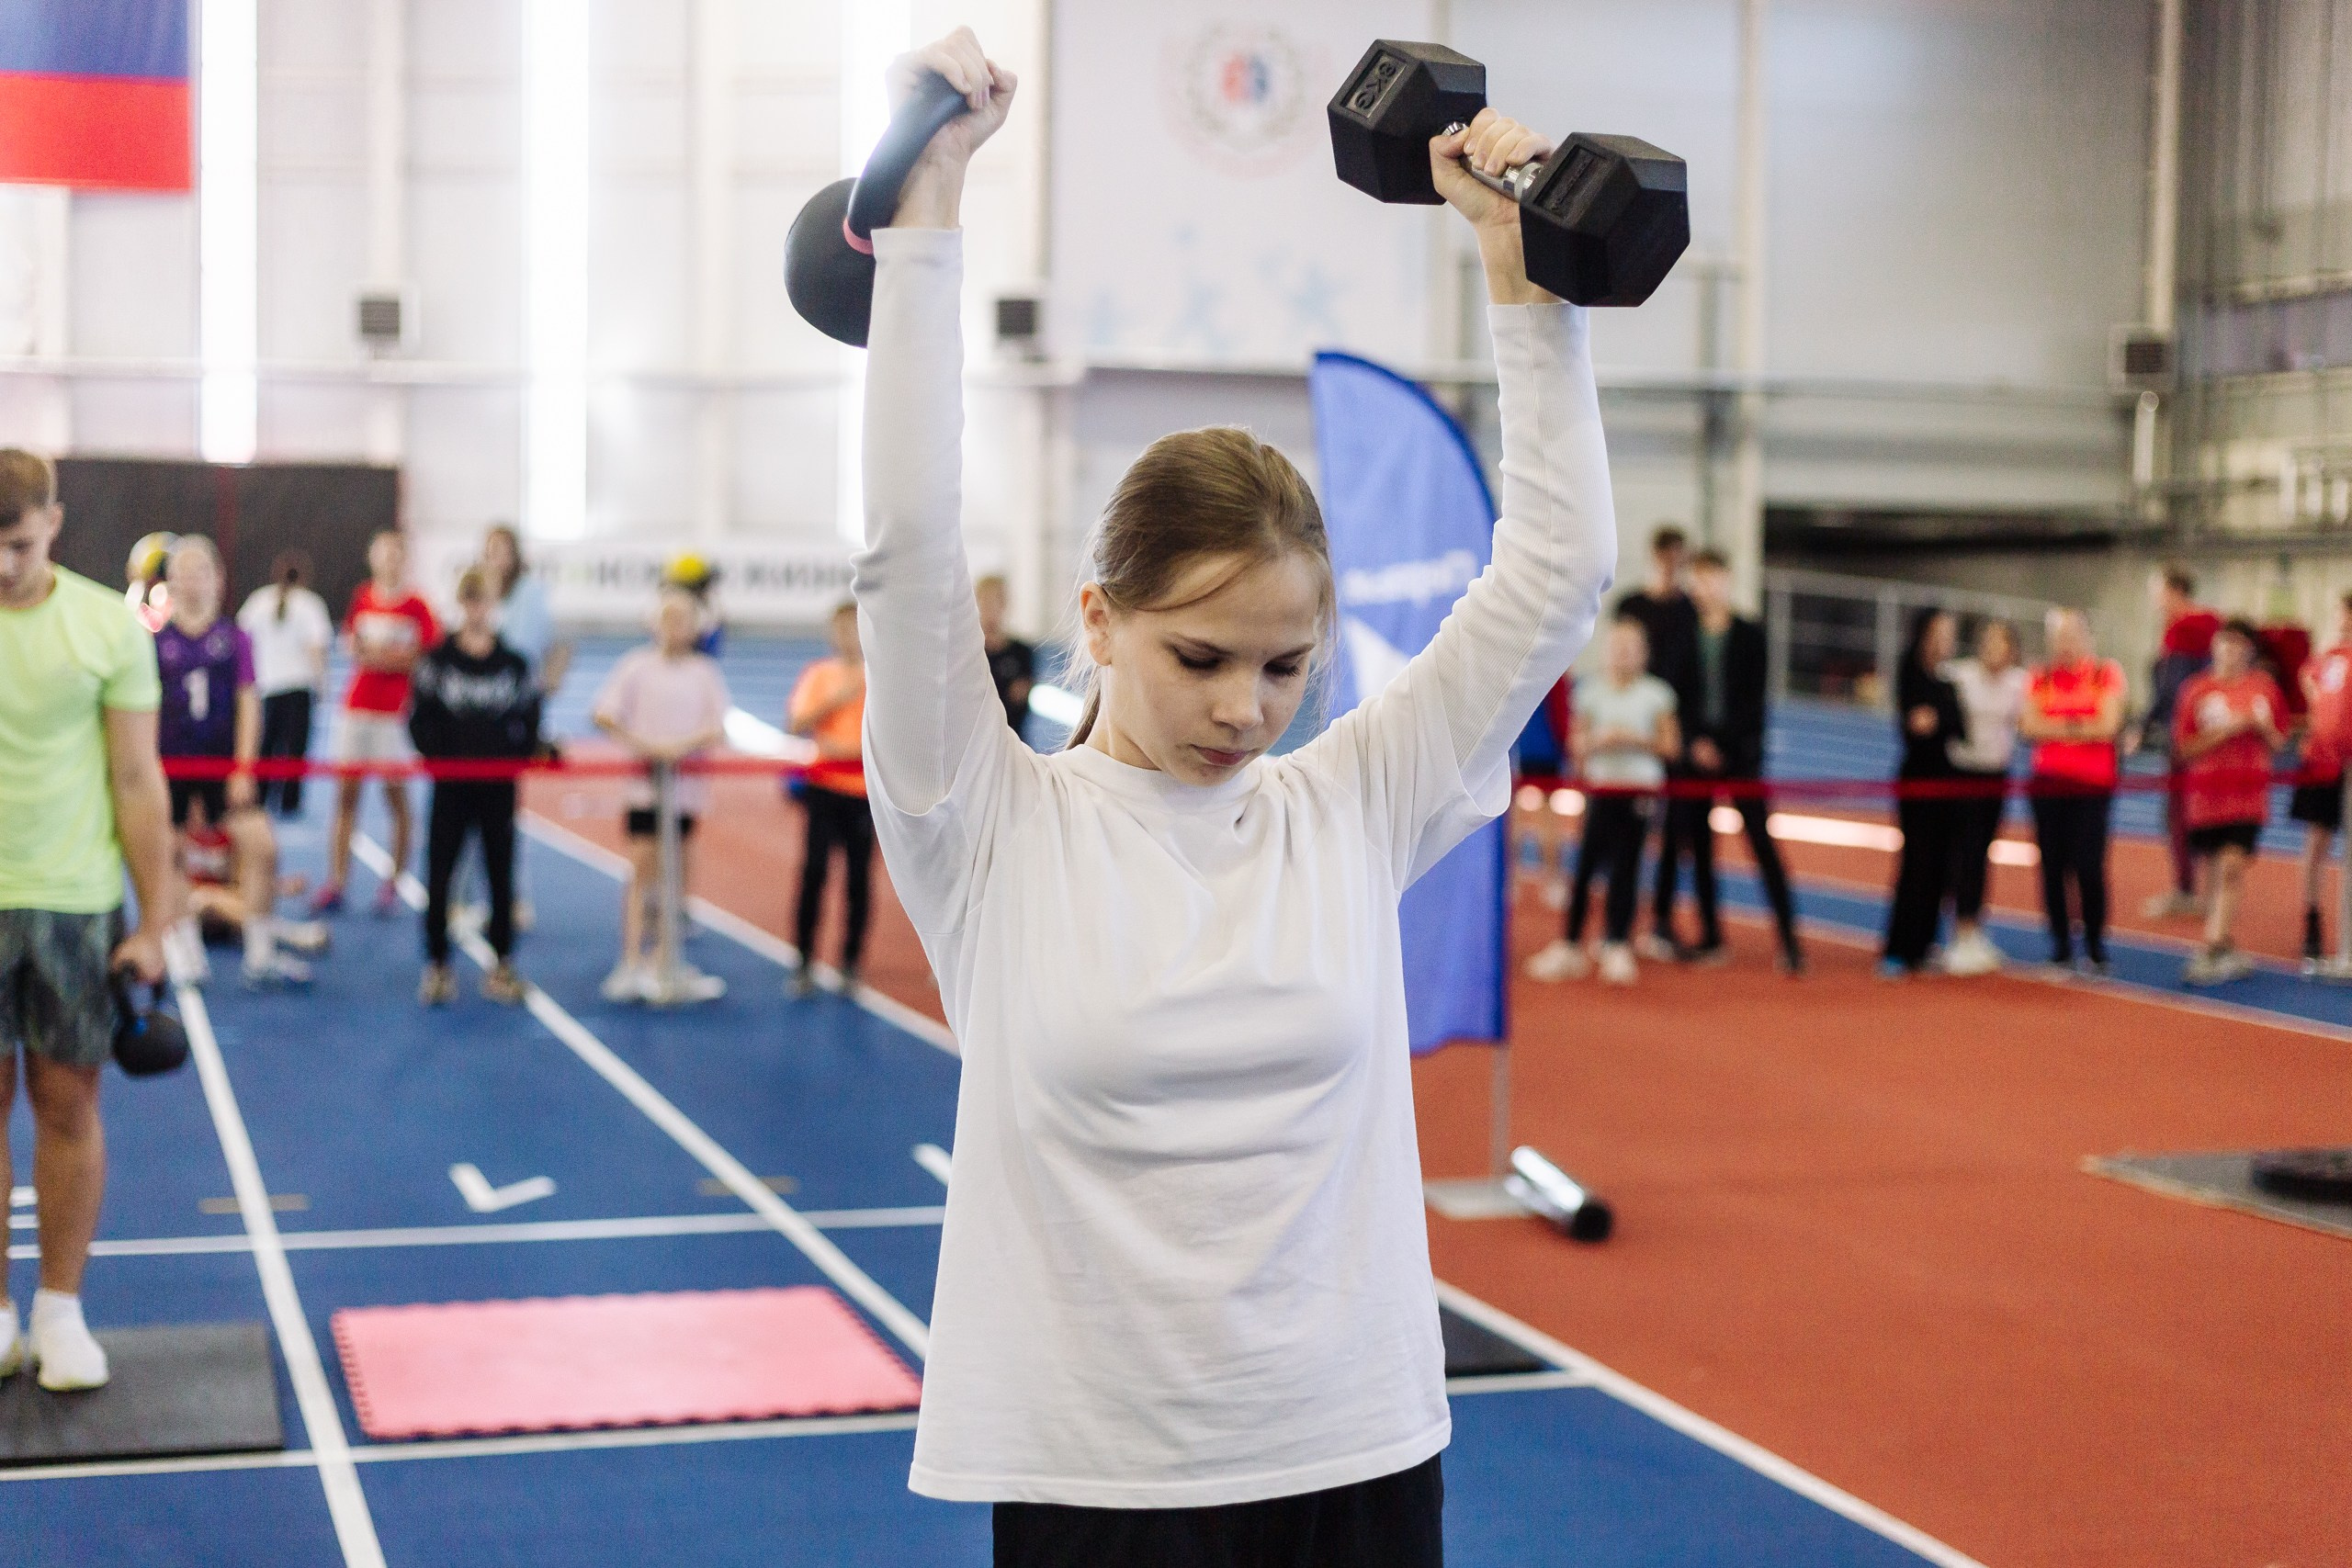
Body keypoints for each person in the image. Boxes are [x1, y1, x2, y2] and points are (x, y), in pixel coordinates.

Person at [855, 36, 1614, 1561]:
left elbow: (1557, 573)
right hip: (1099, 1487)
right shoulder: (985, 824)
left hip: (1356, 1458)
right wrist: (930, 211)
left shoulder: (1350, 805)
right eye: (1199, 656)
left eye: (1286, 666)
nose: (1244, 709)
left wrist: (1523, 275)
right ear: (1098, 619)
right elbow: (906, 549)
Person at [0, 447, 175, 1393]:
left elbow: (138, 779)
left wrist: (157, 919)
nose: (3, 565)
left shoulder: (109, 625)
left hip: (73, 904)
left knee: (67, 1108)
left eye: (19, 545)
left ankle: (60, 1312)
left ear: (54, 525)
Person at [155, 537, 311, 988]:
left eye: (201, 571)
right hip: (173, 766)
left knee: (261, 846)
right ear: (170, 581)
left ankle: (259, 952)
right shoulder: (156, 643)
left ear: (219, 579)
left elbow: (248, 703)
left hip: (222, 766)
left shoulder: (234, 638)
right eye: (183, 572)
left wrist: (244, 768)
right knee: (169, 851)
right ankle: (184, 947)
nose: (192, 581)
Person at [1657, 547, 1804, 973]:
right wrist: (1694, 743)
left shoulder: (1750, 634)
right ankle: (1711, 937)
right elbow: (1673, 696)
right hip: (1694, 758)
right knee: (1700, 848)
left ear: (1726, 579)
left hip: (1740, 757)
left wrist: (1722, 745)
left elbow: (1753, 701)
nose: (1704, 588)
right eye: (1698, 579)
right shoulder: (1682, 634)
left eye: (1711, 578)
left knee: (1761, 844)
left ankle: (1790, 941)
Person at [591, 587, 729, 1002]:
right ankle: (631, 960)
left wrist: (678, 749)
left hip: (684, 790)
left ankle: (668, 959)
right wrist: (646, 747)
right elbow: (603, 714)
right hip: (644, 788)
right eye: (668, 619)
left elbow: (717, 726)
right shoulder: (635, 666)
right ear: (655, 624)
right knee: (641, 869)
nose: (674, 628)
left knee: (677, 874)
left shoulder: (704, 672)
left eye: (683, 620)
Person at [409, 568, 539, 1008]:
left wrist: (514, 758)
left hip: (499, 787)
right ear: (461, 603)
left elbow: (531, 717)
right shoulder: (438, 661)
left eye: (484, 600)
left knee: (501, 875)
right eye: (470, 599)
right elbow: (419, 717)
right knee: (439, 874)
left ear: (494, 604)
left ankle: (502, 964)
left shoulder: (514, 664)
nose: (477, 609)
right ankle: (437, 965)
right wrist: (439, 759)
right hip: (450, 786)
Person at [1525, 617, 1678, 986]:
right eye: (1617, 647)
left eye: (1630, 648)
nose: (1623, 654)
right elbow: (1575, 744)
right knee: (1585, 868)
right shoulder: (1590, 691)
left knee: (1627, 869)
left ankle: (1617, 943)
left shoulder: (1657, 694)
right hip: (1600, 791)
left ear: (1643, 653)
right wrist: (1597, 743)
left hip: (1639, 793)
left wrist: (1633, 740)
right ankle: (1570, 944)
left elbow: (1670, 747)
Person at [315, 531, 439, 917]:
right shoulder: (363, 596)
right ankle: (337, 881)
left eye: (396, 553)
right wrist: (385, 655)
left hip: (395, 713)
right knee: (345, 796)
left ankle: (394, 882)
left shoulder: (417, 605)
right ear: (372, 558)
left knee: (395, 797)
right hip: (357, 708)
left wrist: (382, 656)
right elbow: (353, 647)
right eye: (383, 553)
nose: (389, 560)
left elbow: (423, 656)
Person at [2174, 619, 2287, 987]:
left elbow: (2279, 742)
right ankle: (2222, 944)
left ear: (2249, 651)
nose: (2230, 651)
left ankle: (2211, 946)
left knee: (2231, 866)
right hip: (2207, 796)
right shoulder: (2196, 689)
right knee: (2214, 872)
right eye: (2225, 643)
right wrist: (2226, 730)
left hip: (2248, 795)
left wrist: (2259, 727)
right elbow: (2184, 748)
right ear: (2214, 646)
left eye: (2238, 644)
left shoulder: (2263, 689)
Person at [2021, 609, 2128, 974]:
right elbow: (2029, 726)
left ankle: (2095, 946)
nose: (2065, 644)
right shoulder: (2040, 676)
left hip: (2092, 787)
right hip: (2048, 785)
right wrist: (2082, 724)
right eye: (2059, 637)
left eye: (2071, 636)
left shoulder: (2105, 674)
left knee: (2089, 866)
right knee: (2052, 867)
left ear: (2085, 638)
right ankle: (2061, 947)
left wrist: (2057, 725)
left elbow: (2109, 725)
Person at [1612, 525, 1699, 956]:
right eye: (1667, 555)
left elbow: (1692, 677)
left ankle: (1661, 921)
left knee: (1675, 834)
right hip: (1627, 736)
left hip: (1669, 731)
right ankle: (1616, 927)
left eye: (1679, 557)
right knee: (1618, 836)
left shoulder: (1690, 611)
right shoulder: (1630, 605)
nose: (1672, 564)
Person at [785, 602, 874, 998]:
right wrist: (836, 700)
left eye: (853, 628)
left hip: (863, 792)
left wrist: (852, 751)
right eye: (840, 629)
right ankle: (804, 960)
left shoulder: (879, 676)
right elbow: (796, 723)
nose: (847, 637)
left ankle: (851, 961)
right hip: (823, 787)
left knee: (858, 879)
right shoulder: (820, 675)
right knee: (813, 874)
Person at [1881, 609, 1965, 976]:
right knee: (1916, 863)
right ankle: (1898, 947)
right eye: (1940, 631)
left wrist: (1939, 718)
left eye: (1950, 632)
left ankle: (1926, 942)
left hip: (1947, 783)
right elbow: (1914, 725)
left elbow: (1957, 726)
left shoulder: (1950, 678)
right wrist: (1939, 719)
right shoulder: (1910, 669)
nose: (1946, 639)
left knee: (1941, 866)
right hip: (1917, 781)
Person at [1942, 618, 2028, 976]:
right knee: (1960, 855)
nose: (1994, 649)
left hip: (1996, 777)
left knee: (1981, 854)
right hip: (1961, 774)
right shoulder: (1958, 676)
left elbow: (2028, 722)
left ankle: (1973, 930)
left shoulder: (2019, 683)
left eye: (2001, 643)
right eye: (1989, 641)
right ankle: (1958, 933)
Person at [2142, 566, 2220, 919]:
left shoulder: (2182, 626)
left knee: (2178, 814)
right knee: (2207, 810)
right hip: (2213, 732)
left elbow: (2171, 687)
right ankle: (2210, 893)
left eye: (2157, 590)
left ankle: (2187, 891)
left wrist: (2144, 724)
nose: (2155, 599)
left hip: (2185, 735)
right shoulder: (2212, 622)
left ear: (2174, 590)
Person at [236, 551, 332, 818]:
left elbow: (242, 639)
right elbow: (315, 649)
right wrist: (322, 685)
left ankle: (259, 797)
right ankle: (290, 802)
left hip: (266, 686)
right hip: (298, 688)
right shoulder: (310, 604)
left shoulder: (258, 601)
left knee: (265, 747)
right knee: (295, 750)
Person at [2293, 591, 2352, 969]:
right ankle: (2312, 919)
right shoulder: (2328, 657)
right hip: (2321, 762)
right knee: (2316, 843)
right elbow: (2308, 679)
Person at [976, 573, 1034, 738]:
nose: (990, 610)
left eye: (995, 602)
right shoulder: (970, 654)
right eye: (985, 602)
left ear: (1004, 604)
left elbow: (1020, 699)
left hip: (1013, 738)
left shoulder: (1021, 652)